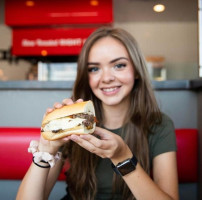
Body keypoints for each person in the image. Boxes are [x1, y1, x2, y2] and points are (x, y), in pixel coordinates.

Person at [16, 27, 179, 200]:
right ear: (86, 77)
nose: (107, 78)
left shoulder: (159, 124)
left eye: (119, 65)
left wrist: (122, 158)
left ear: (137, 70)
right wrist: (45, 150)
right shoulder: (71, 123)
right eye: (94, 69)